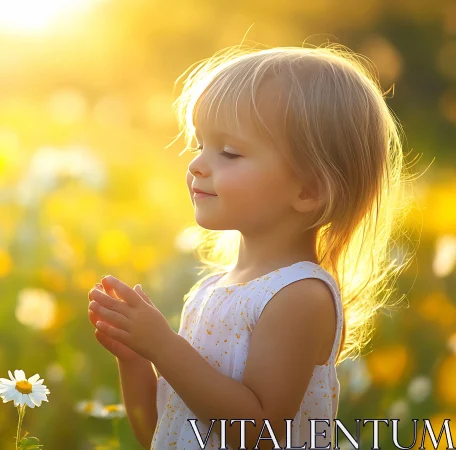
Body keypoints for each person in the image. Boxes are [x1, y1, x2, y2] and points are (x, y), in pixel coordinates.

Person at [87, 43, 414, 449]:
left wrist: (162, 346)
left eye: (228, 152)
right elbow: (163, 434)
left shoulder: (299, 296)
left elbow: (256, 433)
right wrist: (135, 359)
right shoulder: (210, 290)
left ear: (308, 190)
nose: (196, 165)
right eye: (199, 145)